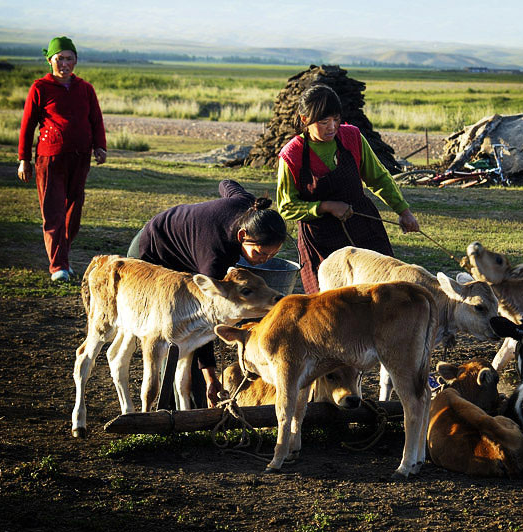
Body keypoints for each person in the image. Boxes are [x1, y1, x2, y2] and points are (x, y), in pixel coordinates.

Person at [128, 179, 287, 407]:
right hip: (155, 249)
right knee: (177, 333)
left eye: (272, 255)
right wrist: (211, 376)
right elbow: (206, 319)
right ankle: (175, 408)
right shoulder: (214, 257)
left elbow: (227, 183)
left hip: (188, 262)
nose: (265, 260)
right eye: (261, 253)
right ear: (242, 236)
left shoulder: (251, 206)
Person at [276, 84, 420, 293]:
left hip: (362, 226)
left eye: (335, 119)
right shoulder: (292, 154)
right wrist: (325, 206)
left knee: (384, 290)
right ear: (305, 119)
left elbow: (379, 178)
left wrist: (403, 211)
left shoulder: (352, 137)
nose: (332, 127)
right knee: (332, 302)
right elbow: (287, 206)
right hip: (320, 239)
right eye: (324, 122)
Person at [17, 36, 106, 282]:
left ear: (76, 60)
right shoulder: (40, 88)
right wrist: (23, 158)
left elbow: (95, 120)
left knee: (73, 212)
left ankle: (63, 259)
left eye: (69, 58)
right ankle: (58, 267)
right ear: (50, 61)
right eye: (59, 59)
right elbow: (27, 125)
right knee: (53, 211)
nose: (64, 63)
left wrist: (100, 147)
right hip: (50, 158)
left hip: (80, 158)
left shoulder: (85, 88)